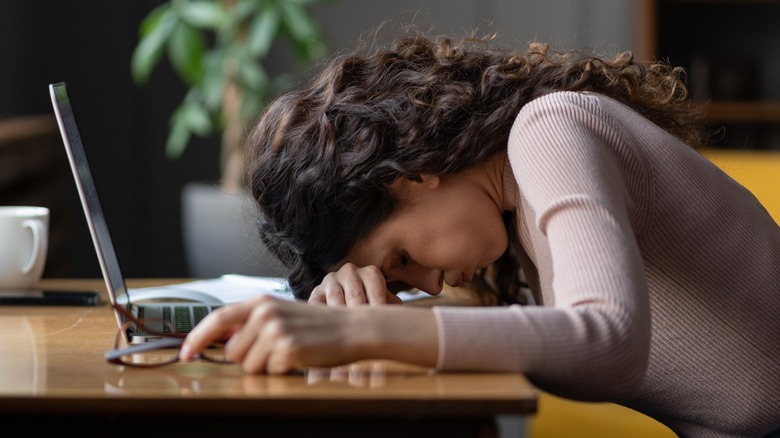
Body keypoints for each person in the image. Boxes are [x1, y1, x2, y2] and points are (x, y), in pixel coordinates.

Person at [180, 30, 780, 437]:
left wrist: (361, 329)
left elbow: (609, 342)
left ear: (413, 173)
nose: (430, 285)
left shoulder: (550, 128)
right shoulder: (517, 220)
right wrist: (365, 302)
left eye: (404, 257)